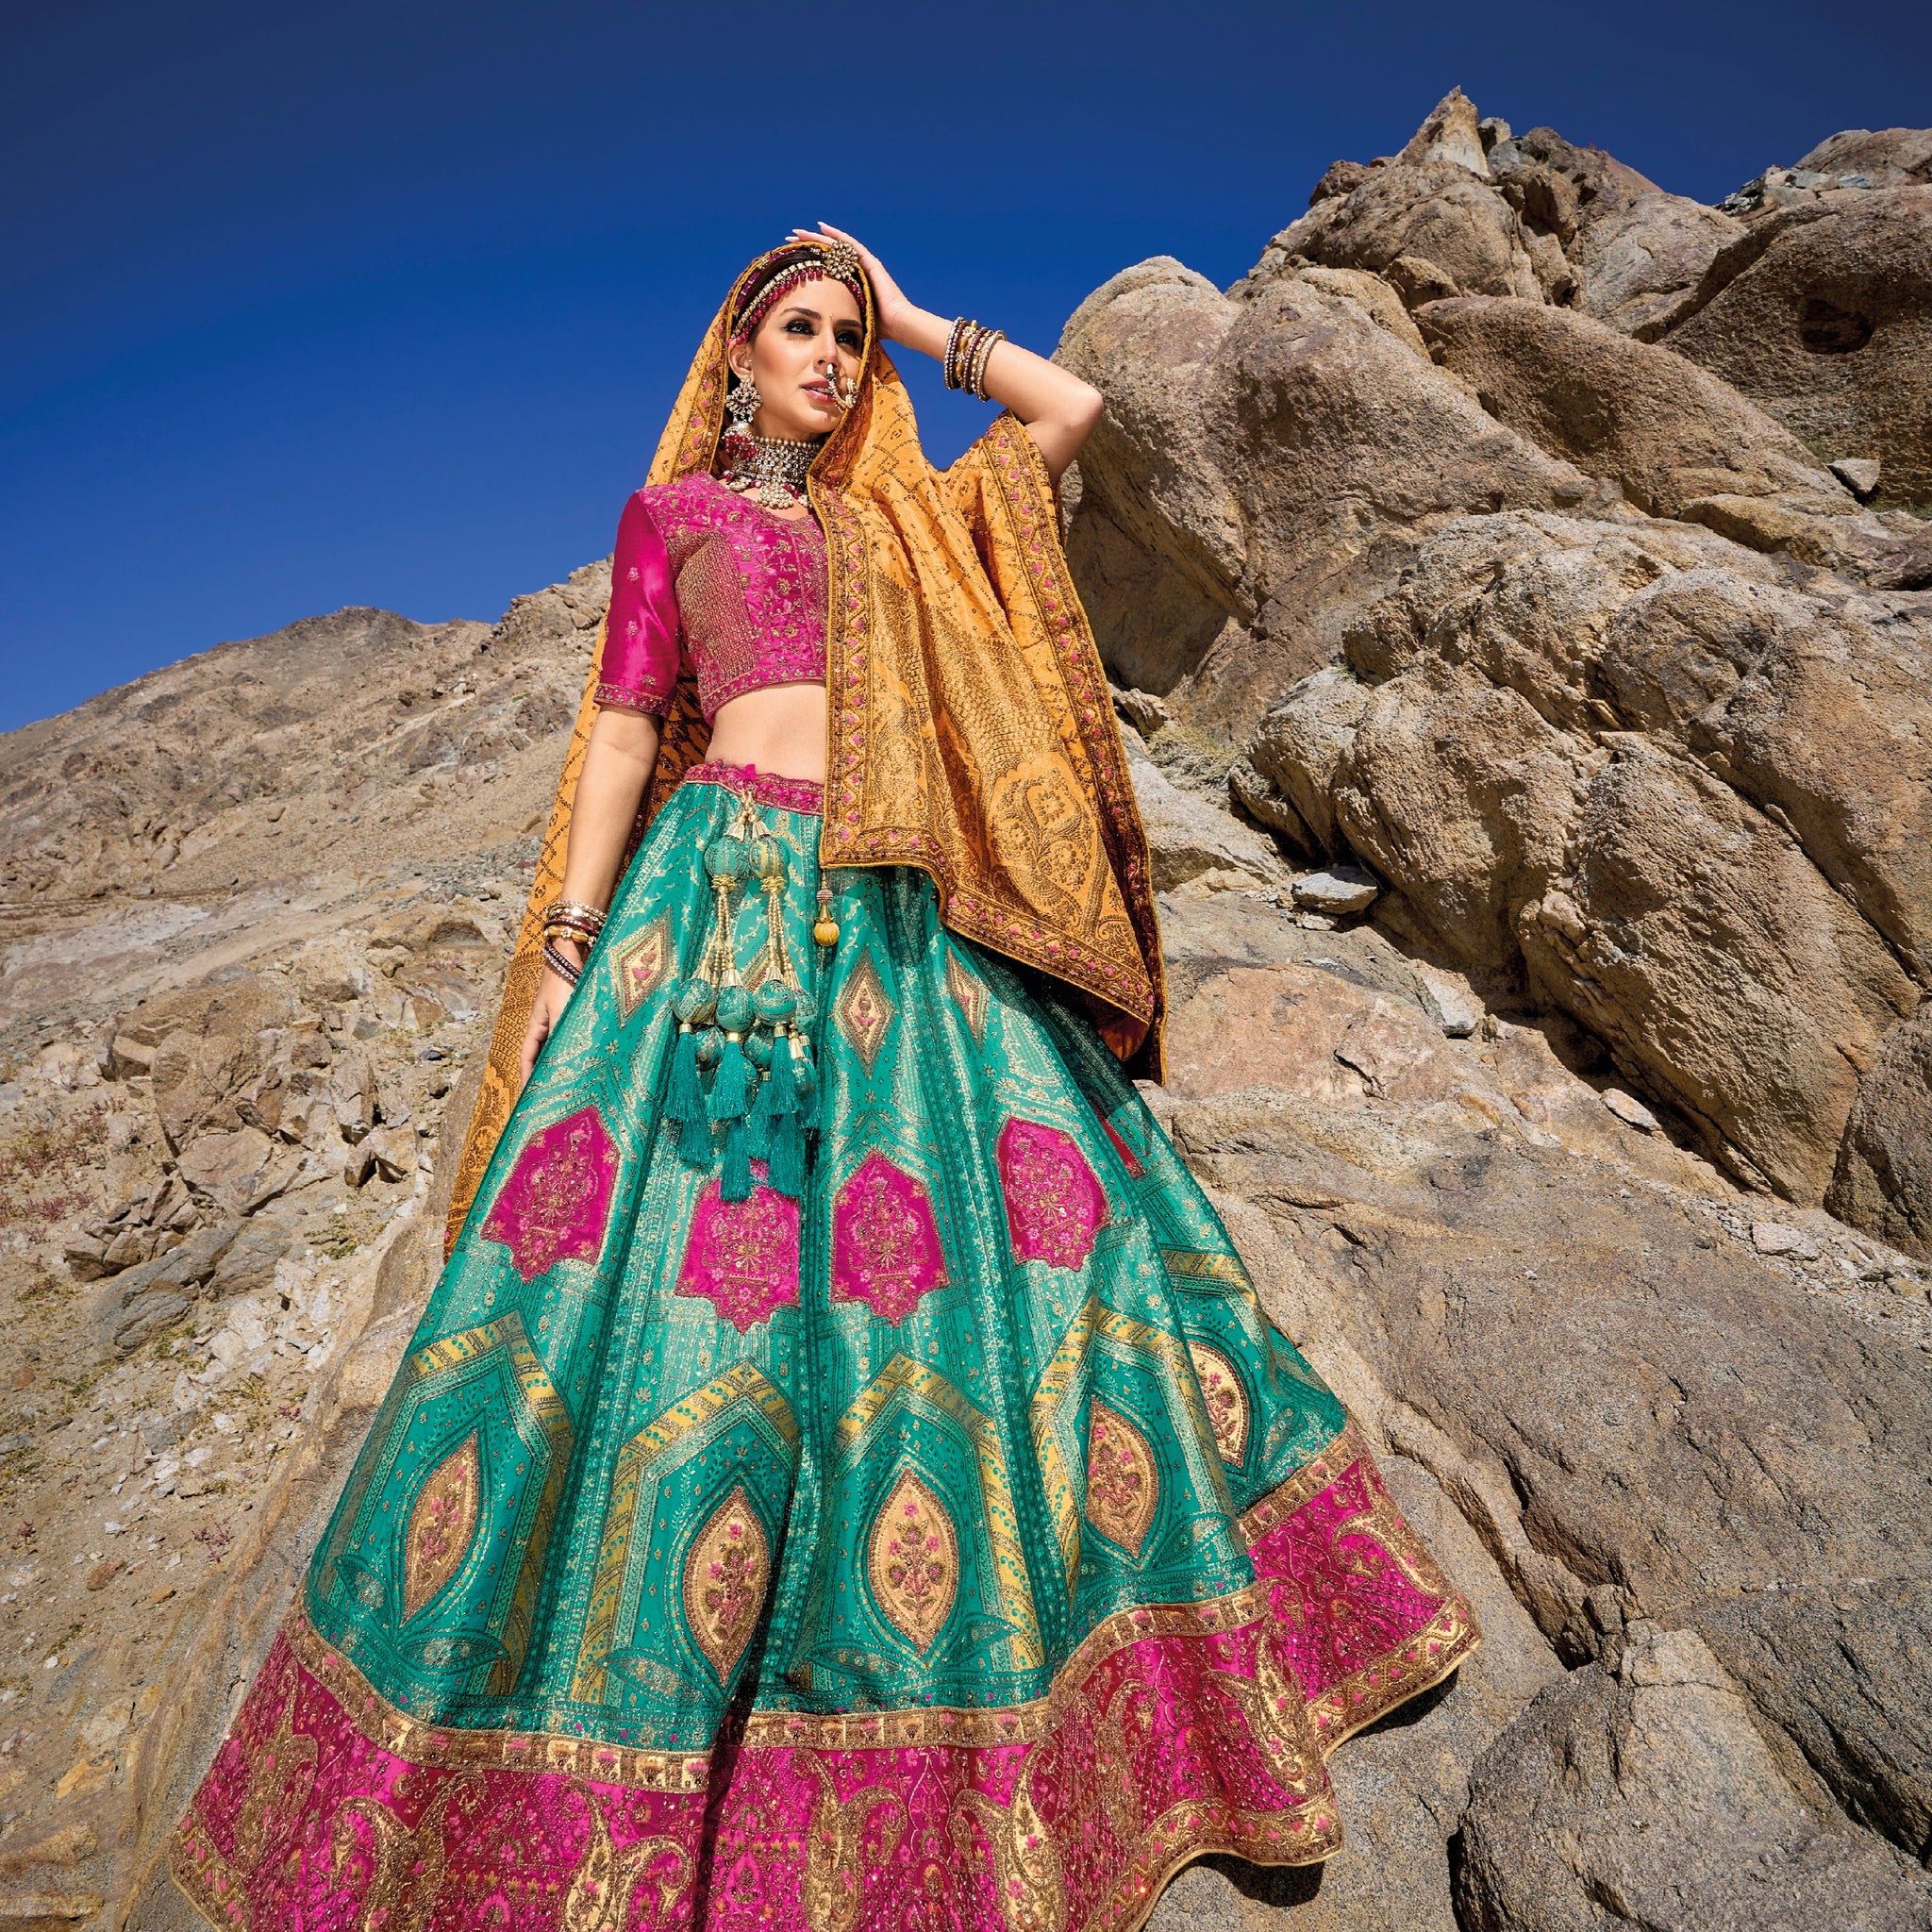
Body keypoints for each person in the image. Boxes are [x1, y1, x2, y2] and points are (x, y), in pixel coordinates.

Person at [168, 227, 1478, 1932]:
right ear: (732, 352)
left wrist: (919, 312)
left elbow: (1071, 414)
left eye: (848, 336)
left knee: (989, 1268)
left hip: (891, 909)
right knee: (652, 1303)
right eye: (804, 327)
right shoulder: (674, 524)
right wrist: (570, 943)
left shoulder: (899, 524)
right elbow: (632, 731)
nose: (833, 357)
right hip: (706, 922)